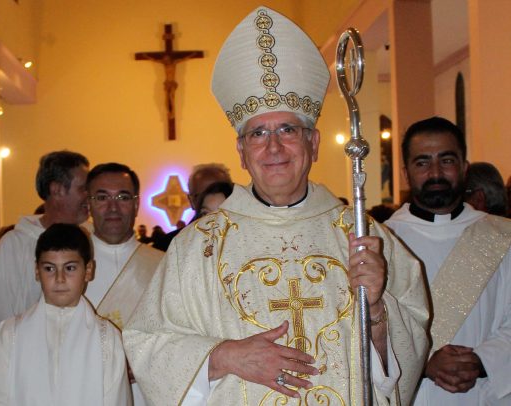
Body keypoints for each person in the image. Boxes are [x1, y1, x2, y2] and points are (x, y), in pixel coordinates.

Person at [124, 7, 429, 405]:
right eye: (258, 134)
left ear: (313, 144)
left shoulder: (363, 234)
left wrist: (376, 310)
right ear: (241, 152)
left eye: (287, 129)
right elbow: (148, 344)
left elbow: (410, 350)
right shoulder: (198, 247)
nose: (273, 147)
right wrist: (225, 356)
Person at [385, 117, 511, 405]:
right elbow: (365, 330)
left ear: (464, 167)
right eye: (422, 162)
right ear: (405, 173)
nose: (435, 173)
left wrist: (481, 361)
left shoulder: (503, 237)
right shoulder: (382, 242)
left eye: (447, 160)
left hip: (486, 393)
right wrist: (423, 363)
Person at [0, 150, 89, 401]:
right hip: (29, 376)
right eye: (83, 188)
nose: (90, 195)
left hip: (83, 370)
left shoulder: (89, 240)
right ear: (56, 190)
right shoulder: (15, 245)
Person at [0, 223, 131, 405]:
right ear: (37, 271)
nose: (59, 279)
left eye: (70, 268)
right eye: (49, 268)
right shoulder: (10, 333)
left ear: (88, 271)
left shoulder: (107, 337)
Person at [86, 163, 164, 405]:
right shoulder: (70, 267)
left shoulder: (164, 265)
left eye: (123, 197)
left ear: (137, 204)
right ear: (88, 204)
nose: (113, 207)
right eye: (102, 198)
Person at [153, 163, 232, 250]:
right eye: (202, 195)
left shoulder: (243, 237)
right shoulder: (167, 246)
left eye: (218, 191)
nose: (211, 199)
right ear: (191, 201)